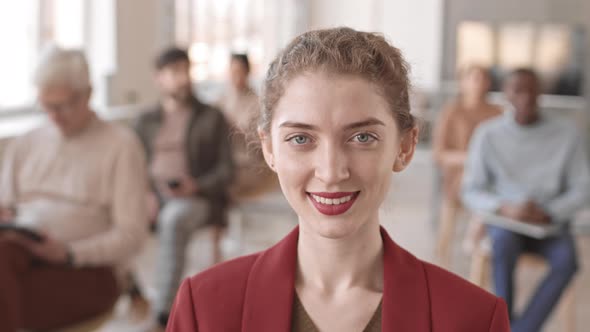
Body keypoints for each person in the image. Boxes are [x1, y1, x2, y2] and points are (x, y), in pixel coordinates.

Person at [166, 27, 509, 331]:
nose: (331, 172)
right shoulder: (204, 311)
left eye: (362, 138)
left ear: (404, 147)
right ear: (269, 149)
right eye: (301, 139)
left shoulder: (474, 319)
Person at [0, 47, 148, 331]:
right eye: (47, 105)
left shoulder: (120, 145)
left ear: (89, 93)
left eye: (63, 105)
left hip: (89, 269)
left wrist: (68, 253)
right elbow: (8, 209)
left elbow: (132, 236)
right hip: (20, 258)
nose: (55, 116)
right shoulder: (25, 143)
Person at [462, 68, 590, 332]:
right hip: (506, 221)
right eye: (518, 90)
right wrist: (505, 208)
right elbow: (471, 190)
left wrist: (550, 212)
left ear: (540, 92)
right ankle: (506, 324)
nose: (525, 97)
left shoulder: (567, 134)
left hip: (551, 223)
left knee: (567, 261)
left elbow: (583, 187)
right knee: (503, 243)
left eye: (531, 90)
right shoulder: (487, 134)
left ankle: (518, 329)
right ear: (506, 94)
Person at [134, 47, 234, 331]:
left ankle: (162, 314)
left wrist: (196, 186)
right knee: (111, 213)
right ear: (158, 78)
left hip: (196, 198)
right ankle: (132, 293)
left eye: (185, 70)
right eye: (174, 72)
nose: (183, 78)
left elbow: (227, 170)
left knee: (174, 219)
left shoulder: (211, 116)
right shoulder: (145, 120)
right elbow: (132, 166)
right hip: (153, 194)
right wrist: (145, 193)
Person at [433, 65, 502, 265]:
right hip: (458, 176)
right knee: (473, 176)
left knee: (490, 183)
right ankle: (475, 233)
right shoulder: (451, 111)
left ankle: (477, 233)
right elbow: (439, 154)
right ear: (462, 82)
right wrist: (471, 159)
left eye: (482, 78)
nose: (477, 83)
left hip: (490, 176)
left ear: (488, 83)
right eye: (472, 78)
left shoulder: (497, 112)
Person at [217, 53, 277, 201]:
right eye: (232, 72)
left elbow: (262, 142)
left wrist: (237, 131)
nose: (235, 76)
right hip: (224, 161)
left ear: (247, 72)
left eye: (239, 72)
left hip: (246, 163)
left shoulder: (258, 103)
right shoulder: (220, 101)